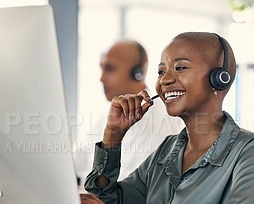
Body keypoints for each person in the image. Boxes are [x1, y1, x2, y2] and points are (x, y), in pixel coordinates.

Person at [72, 32, 254, 204]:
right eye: (161, 71)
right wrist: (112, 138)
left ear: (219, 78)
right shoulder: (167, 151)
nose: (164, 80)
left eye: (180, 68)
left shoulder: (253, 151)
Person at [74, 39, 183, 182]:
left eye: (110, 68)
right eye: (102, 69)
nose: (102, 78)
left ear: (138, 73)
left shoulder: (165, 121)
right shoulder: (104, 117)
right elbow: (76, 165)